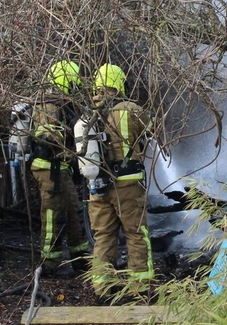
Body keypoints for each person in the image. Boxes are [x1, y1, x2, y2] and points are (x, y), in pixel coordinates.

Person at [83, 63, 154, 298]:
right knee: (135, 233)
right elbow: (151, 130)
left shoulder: (86, 113)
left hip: (97, 187)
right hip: (126, 184)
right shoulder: (129, 109)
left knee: (103, 235)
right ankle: (140, 288)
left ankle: (103, 289)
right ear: (120, 83)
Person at [30, 60, 89, 276]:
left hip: (61, 168)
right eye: (74, 82)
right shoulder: (49, 105)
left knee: (74, 211)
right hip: (49, 169)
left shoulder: (64, 104)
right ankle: (48, 263)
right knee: (52, 215)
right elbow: (45, 137)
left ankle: (80, 259)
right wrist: (70, 141)